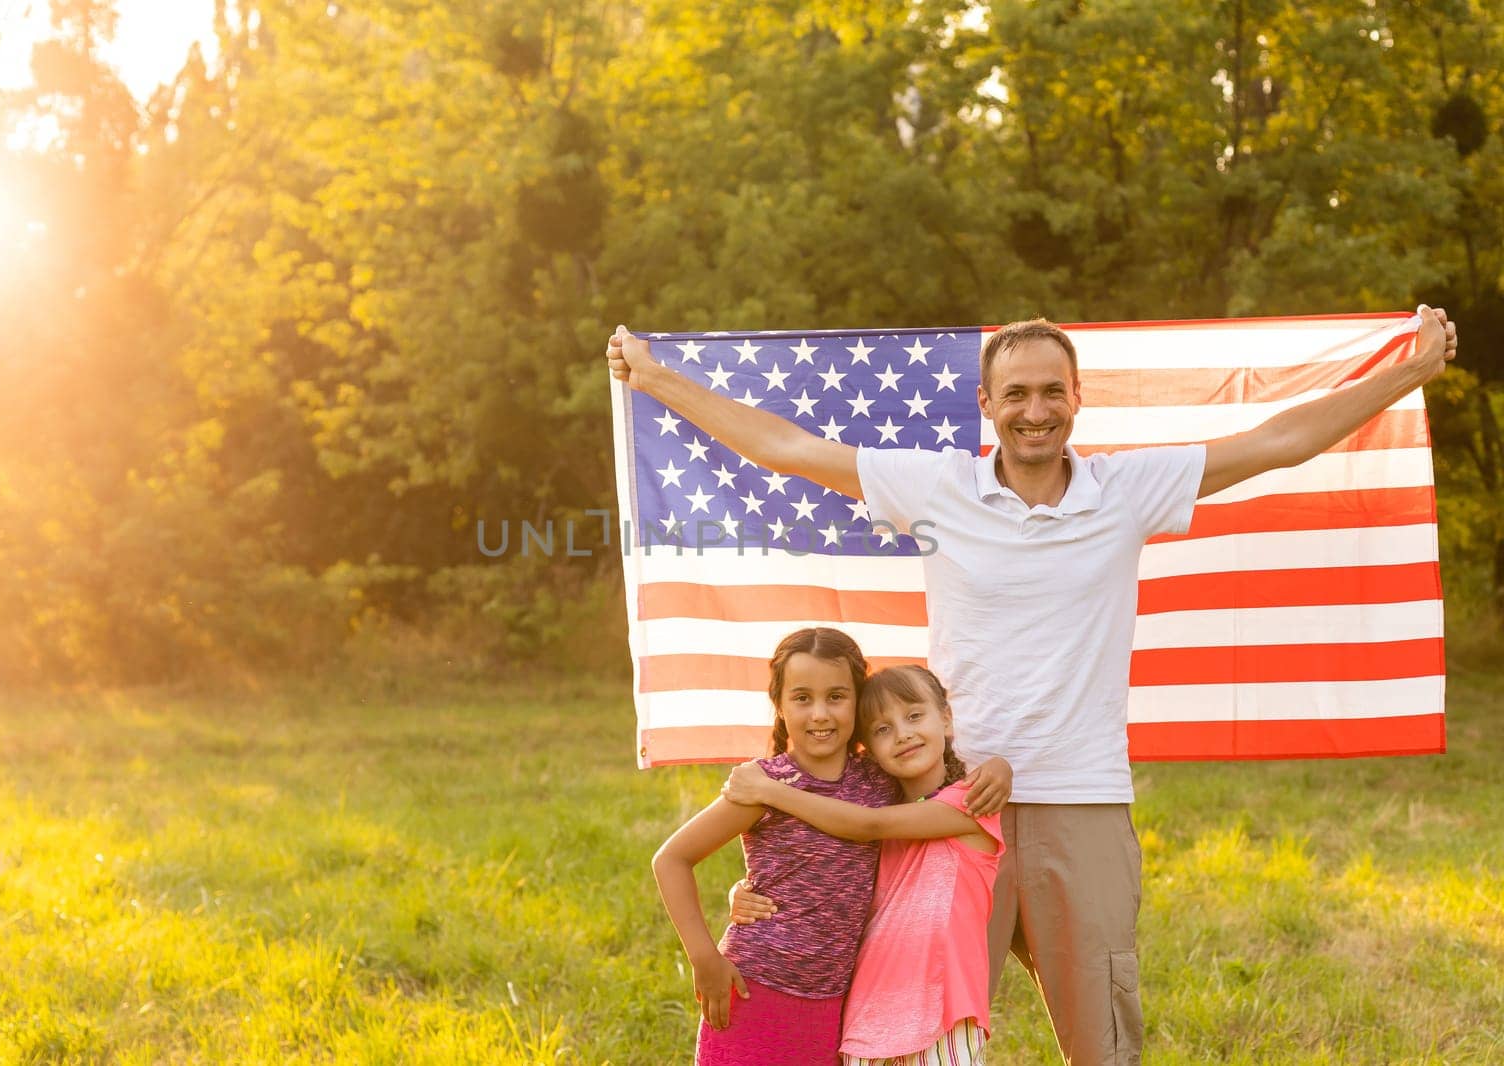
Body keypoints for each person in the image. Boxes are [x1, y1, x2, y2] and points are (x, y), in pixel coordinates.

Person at [610, 306, 1458, 1066]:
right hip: (943, 808)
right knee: (914, 1035)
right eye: (1015, 393)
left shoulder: (1128, 489)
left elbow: (1277, 441)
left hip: (1079, 802)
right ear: (988, 405)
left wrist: (1410, 370)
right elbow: (786, 449)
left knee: (1101, 1038)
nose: (1035, 409)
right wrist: (655, 378)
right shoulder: (936, 486)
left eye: (1053, 390)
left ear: (1077, 398)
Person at [722, 664, 1004, 1066]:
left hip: (943, 1014)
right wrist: (746, 891)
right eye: (882, 729)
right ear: (868, 748)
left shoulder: (971, 804)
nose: (903, 734)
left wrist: (769, 790)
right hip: (867, 1021)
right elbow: (826, 871)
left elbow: (867, 825)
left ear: (945, 717)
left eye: (914, 716)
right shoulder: (878, 813)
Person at [651, 626, 898, 1066]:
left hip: (838, 1001)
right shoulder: (764, 784)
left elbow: (945, 783)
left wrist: (998, 769)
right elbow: (672, 859)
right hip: (755, 988)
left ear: (859, 700)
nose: (820, 713)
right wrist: (704, 958)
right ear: (780, 707)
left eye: (836, 696)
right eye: (802, 698)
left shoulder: (880, 780)